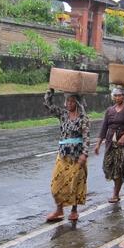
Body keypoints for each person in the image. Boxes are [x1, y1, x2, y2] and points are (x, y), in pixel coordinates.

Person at [43, 89, 90, 222]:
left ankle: (74, 211)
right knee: (56, 184)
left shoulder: (83, 118)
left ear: (77, 103)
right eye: (67, 101)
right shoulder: (63, 114)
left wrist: (84, 154)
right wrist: (50, 91)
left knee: (74, 184)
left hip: (77, 157)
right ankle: (59, 210)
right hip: (63, 155)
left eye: (72, 101)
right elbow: (48, 106)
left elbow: (86, 137)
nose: (68, 103)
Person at [95, 87, 124, 203]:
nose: (117, 97)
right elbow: (104, 128)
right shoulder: (109, 110)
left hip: (122, 145)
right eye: (116, 95)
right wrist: (98, 144)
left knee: (119, 168)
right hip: (110, 142)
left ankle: (116, 194)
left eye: (120, 95)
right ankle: (116, 184)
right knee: (107, 167)